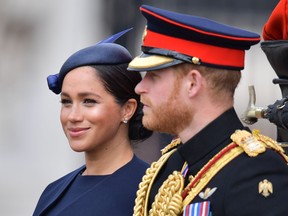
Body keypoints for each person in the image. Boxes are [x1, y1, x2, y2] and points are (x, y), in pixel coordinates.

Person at [127, 5, 288, 216]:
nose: (140, 87)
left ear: (193, 83)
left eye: (154, 76)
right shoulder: (169, 165)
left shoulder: (255, 171)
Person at [33, 29, 152, 216]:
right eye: (66, 102)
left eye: (89, 101)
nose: (73, 116)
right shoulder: (52, 193)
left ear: (128, 109)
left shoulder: (151, 192)